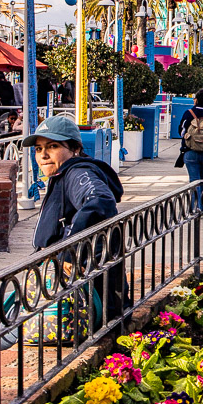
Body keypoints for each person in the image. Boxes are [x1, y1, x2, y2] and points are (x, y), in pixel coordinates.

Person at [23, 115, 124, 320]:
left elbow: (100, 201)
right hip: (69, 290)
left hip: (83, 299)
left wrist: (68, 252)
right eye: (39, 149)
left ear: (75, 149)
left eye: (52, 146)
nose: (43, 155)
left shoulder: (77, 172)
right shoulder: (63, 174)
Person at [178, 88, 203, 213]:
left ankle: (195, 208)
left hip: (191, 151)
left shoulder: (188, 113)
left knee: (194, 180)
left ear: (196, 100)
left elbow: (181, 131)